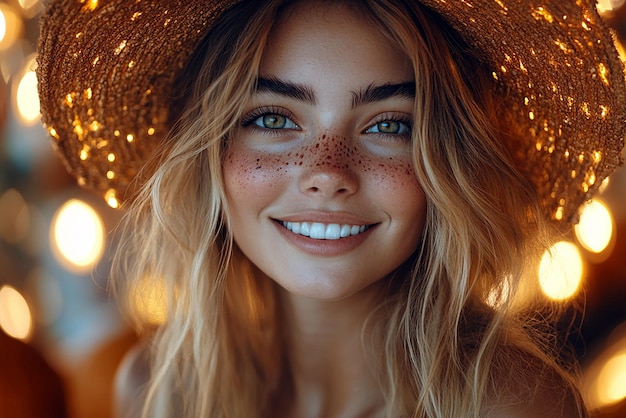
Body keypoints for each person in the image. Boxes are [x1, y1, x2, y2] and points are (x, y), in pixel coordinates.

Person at [36, 0, 626, 417]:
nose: (327, 173)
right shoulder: (156, 392)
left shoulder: (515, 408)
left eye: (389, 125)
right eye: (272, 118)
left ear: (448, 163)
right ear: (209, 149)